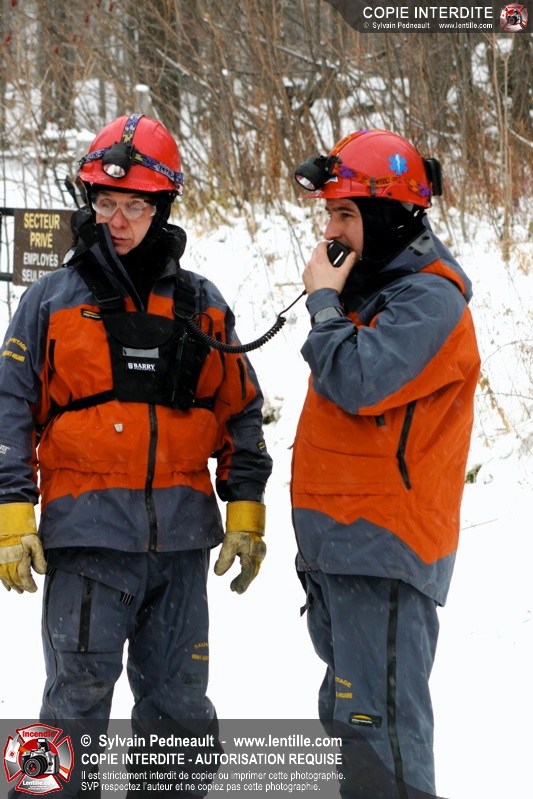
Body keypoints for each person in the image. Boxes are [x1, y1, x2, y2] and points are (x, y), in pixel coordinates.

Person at [0, 114, 272, 795]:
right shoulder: (50, 300)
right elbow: (8, 407)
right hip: (86, 543)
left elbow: (239, 410)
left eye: (134, 206)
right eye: (104, 202)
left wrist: (245, 506)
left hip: (180, 548)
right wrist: (11, 510)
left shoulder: (201, 304)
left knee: (178, 711)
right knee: (74, 705)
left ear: (163, 207)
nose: (116, 220)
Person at [291, 129, 480, 798]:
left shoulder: (429, 300)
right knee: (352, 728)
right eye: (329, 214)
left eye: (345, 214)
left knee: (383, 736)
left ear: (388, 215)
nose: (330, 232)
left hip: (386, 550)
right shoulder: (371, 291)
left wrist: (322, 304)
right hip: (341, 549)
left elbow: (359, 380)